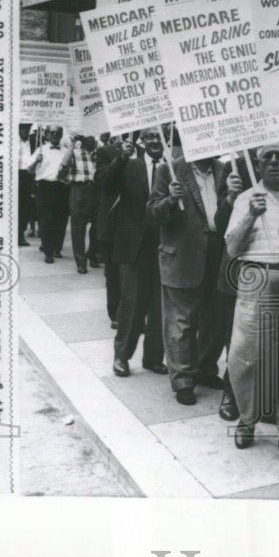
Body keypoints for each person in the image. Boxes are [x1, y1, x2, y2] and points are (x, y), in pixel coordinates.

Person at [224, 143, 279, 461]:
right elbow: (232, 248)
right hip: (256, 277)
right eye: (266, 158)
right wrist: (250, 215)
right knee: (246, 355)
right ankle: (247, 420)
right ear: (257, 166)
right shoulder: (246, 198)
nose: (274, 162)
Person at [146, 142, 243, 405]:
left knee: (215, 319)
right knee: (181, 322)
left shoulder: (226, 171)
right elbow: (152, 212)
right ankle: (183, 380)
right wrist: (170, 200)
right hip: (183, 255)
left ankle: (204, 368)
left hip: (218, 252)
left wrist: (234, 197)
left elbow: (230, 217)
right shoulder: (170, 170)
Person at [98, 129, 167, 378]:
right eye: (149, 137)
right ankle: (122, 356)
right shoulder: (130, 165)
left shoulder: (173, 166)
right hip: (134, 245)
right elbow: (102, 182)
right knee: (132, 303)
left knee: (161, 306)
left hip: (165, 244)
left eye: (160, 136)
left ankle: (153, 357)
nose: (156, 141)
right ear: (142, 142)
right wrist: (121, 158)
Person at [27, 126, 69, 264]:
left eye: (58, 133)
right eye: (52, 133)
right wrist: (36, 161)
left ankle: (57, 248)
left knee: (60, 219)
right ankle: (48, 251)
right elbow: (29, 170)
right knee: (45, 219)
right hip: (44, 187)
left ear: (61, 135)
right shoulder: (41, 150)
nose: (55, 135)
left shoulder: (66, 151)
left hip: (61, 187)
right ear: (47, 134)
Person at [93, 137, 122, 329]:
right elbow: (101, 180)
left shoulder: (146, 151)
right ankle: (116, 314)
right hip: (114, 222)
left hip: (137, 223)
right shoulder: (106, 152)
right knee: (114, 272)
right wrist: (120, 159)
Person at [61, 134, 98, 274]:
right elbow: (64, 164)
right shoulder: (74, 153)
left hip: (95, 190)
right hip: (79, 189)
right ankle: (81, 262)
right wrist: (73, 143)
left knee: (98, 225)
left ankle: (93, 253)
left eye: (93, 137)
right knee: (78, 228)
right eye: (89, 137)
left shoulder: (97, 154)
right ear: (82, 139)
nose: (92, 139)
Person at [18, 124, 35, 247]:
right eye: (23, 129)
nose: (25, 131)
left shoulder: (34, 142)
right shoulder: (12, 141)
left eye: (27, 129)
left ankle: (20, 234)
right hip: (15, 174)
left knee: (26, 206)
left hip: (28, 175)